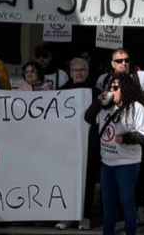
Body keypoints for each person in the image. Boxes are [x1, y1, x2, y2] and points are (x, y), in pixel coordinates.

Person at [87, 73, 144, 235]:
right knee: (108, 205)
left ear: (126, 89)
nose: (111, 91)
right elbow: (88, 118)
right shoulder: (104, 106)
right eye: (110, 88)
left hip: (128, 164)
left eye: (115, 88)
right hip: (107, 163)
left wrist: (127, 138)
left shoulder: (136, 108)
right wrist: (97, 102)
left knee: (127, 202)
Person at [59, 57, 97, 231]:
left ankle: (85, 217)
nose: (79, 73)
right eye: (76, 70)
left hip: (89, 144)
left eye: (82, 70)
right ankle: (68, 217)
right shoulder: (60, 92)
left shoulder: (96, 92)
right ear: (70, 72)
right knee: (67, 181)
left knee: (87, 181)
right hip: (66, 145)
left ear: (87, 72)